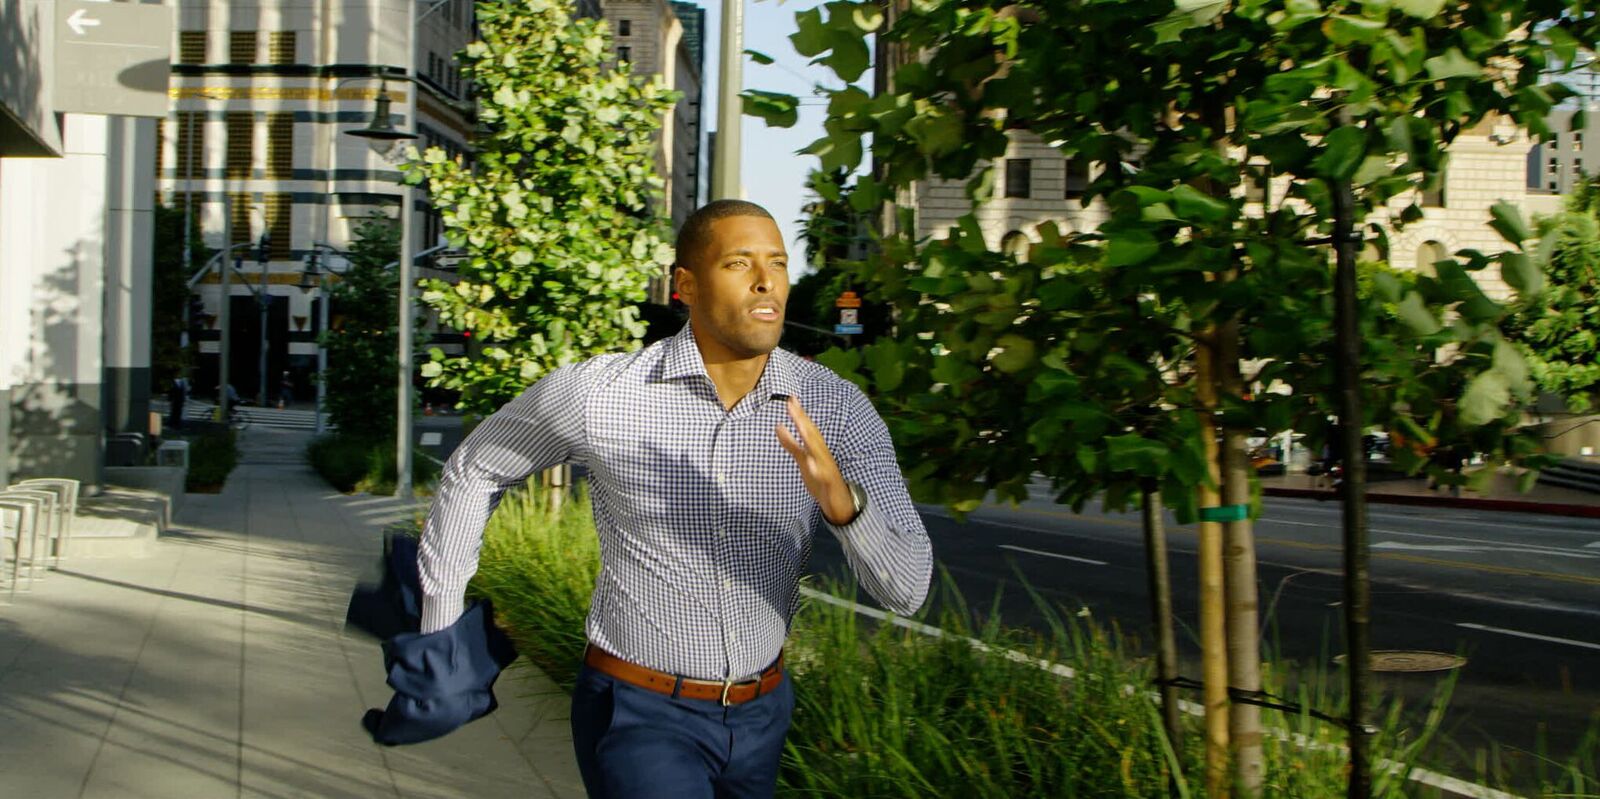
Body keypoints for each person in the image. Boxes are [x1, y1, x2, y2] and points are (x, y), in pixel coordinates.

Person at [418, 200, 933, 799]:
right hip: (638, 712)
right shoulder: (602, 393)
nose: (765, 281)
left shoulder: (836, 407)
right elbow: (474, 468)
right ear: (686, 285)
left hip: (763, 714)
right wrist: (439, 631)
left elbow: (907, 590)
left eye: (777, 263)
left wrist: (844, 506)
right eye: (739, 263)